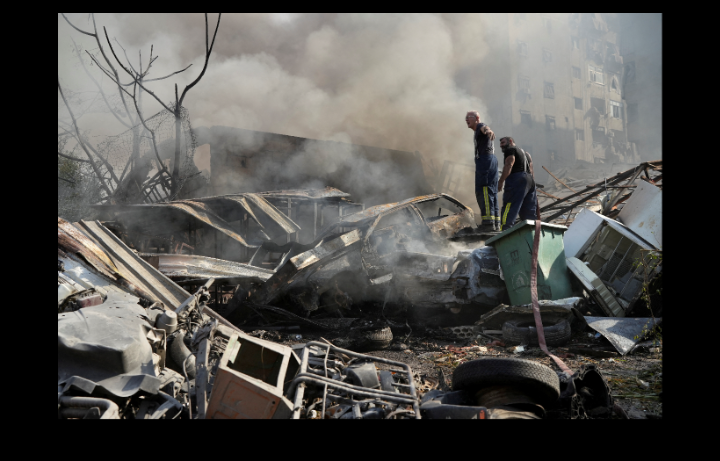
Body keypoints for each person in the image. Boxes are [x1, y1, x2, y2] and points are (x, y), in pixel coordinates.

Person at [465, 111, 499, 232]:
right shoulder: (478, 131)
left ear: (477, 118)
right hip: (491, 160)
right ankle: (495, 223)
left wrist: (488, 130)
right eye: (466, 118)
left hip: (485, 161)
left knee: (484, 190)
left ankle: (488, 224)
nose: (466, 120)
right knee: (492, 191)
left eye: (468, 118)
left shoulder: (480, 126)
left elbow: (485, 128)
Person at [498, 137, 537, 231]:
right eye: (500, 144)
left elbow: (509, 164)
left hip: (516, 179)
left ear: (510, 141)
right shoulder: (527, 154)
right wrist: (532, 185)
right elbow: (531, 171)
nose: (501, 145)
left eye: (503, 142)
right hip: (530, 180)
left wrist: (501, 181)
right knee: (529, 210)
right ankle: (532, 232)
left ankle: (504, 231)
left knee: (509, 205)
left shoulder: (510, 149)